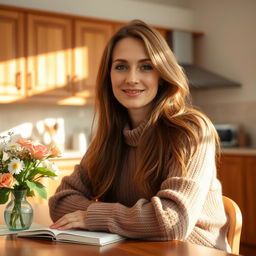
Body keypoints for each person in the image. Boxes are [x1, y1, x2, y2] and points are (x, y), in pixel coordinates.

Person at [49, 20, 230, 252]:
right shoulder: (110, 136)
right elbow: (61, 201)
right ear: (109, 75)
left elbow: (172, 221)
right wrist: (134, 220)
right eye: (121, 66)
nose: (132, 78)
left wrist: (92, 216)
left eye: (146, 67)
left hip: (193, 249)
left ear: (162, 75)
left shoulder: (190, 131)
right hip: (133, 247)